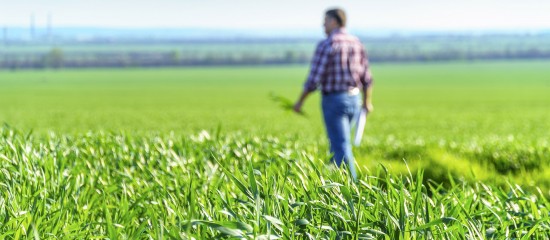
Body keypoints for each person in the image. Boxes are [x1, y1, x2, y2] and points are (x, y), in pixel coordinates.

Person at [293, 8, 374, 180]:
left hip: (334, 101)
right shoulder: (356, 43)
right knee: (338, 144)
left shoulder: (327, 44)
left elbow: (314, 79)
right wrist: (367, 101)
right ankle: (334, 182)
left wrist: (300, 101)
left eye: (326, 20)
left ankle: (351, 191)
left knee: (340, 146)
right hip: (354, 99)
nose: (323, 24)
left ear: (335, 21)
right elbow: (367, 77)